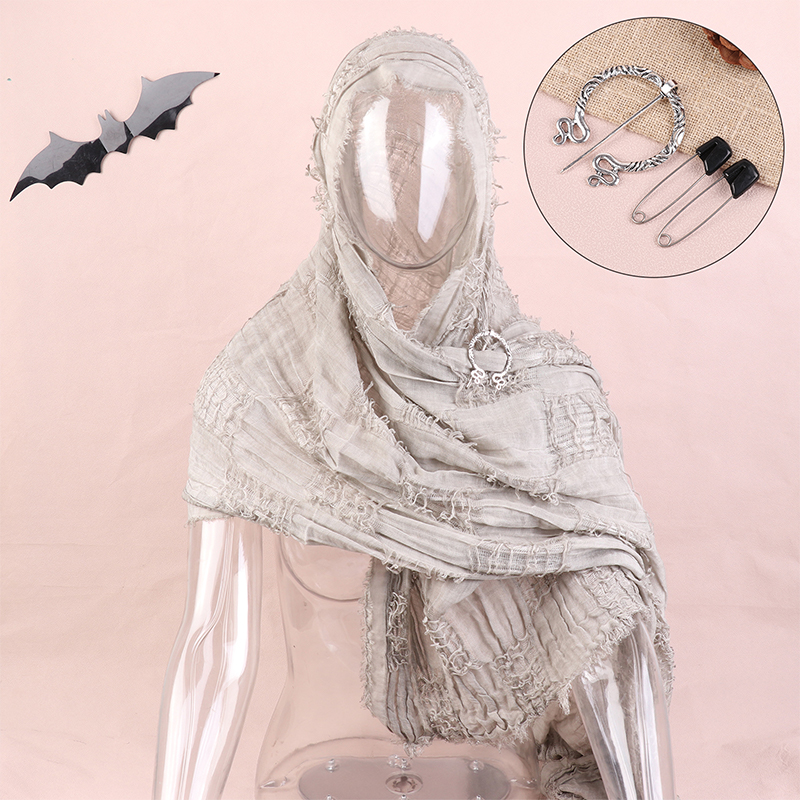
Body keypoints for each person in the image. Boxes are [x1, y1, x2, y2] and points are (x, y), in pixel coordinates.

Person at [154, 30, 676, 800]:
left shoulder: (551, 396)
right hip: (306, 774)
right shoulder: (258, 389)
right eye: (377, 161)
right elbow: (212, 648)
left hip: (493, 781)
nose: (406, 198)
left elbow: (612, 652)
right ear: (333, 179)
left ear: (478, 183)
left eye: (437, 163)